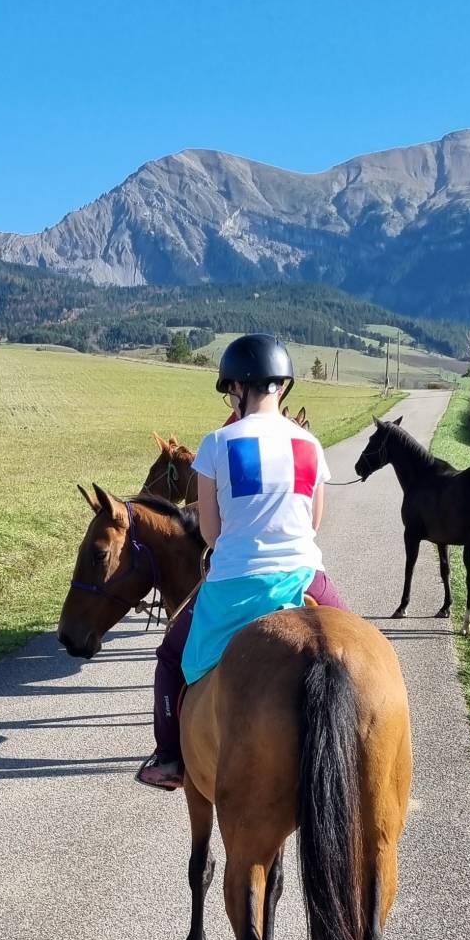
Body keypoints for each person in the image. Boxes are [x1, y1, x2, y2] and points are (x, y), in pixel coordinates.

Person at [137, 333, 349, 791]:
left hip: (235, 582)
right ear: (281, 387)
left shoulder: (217, 444)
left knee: (170, 658)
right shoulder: (309, 445)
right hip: (305, 574)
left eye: (230, 388)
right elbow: (313, 523)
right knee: (361, 653)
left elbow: (211, 534)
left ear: (239, 387)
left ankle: (170, 758)